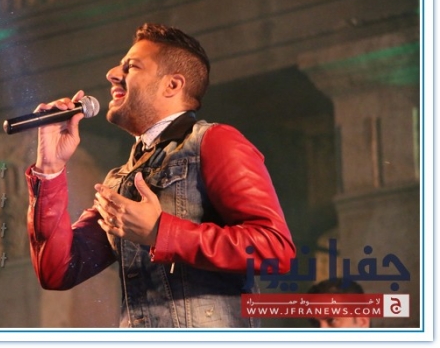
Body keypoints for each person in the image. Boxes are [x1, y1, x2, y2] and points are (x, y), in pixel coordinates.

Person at [25, 22, 296, 328]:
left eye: (131, 66)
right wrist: (49, 169)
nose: (112, 73)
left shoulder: (214, 141)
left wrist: (161, 232)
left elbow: (275, 249)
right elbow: (57, 270)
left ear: (172, 85)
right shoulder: (119, 179)